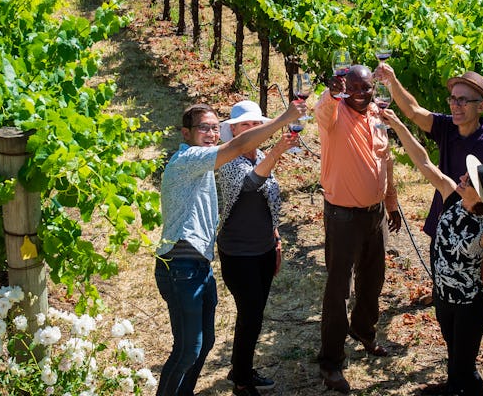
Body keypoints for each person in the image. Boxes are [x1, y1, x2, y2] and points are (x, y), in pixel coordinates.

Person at [155, 100, 305, 396]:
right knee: (188, 349)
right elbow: (237, 153)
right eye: (204, 128)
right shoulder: (190, 159)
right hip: (180, 266)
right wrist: (283, 118)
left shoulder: (204, 162)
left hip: (199, 265)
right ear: (186, 133)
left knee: (205, 343)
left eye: (214, 128)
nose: (211, 133)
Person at [380, 108, 483, 396]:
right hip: (444, 300)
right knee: (456, 360)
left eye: (471, 180)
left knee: (463, 368)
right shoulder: (451, 195)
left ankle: (463, 390)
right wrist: (399, 125)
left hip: (469, 307)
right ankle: (457, 388)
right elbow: (424, 162)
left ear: (480, 195)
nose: (464, 177)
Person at [375, 64, 483, 283]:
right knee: (440, 278)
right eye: (453, 99)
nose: (455, 105)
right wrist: (392, 80)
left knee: (467, 291)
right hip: (443, 223)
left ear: (481, 106)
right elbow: (413, 111)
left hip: (472, 237)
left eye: (463, 100)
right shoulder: (448, 127)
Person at [315, 64, 402, 393]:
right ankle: (331, 362)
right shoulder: (333, 114)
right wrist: (330, 91)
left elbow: (386, 162)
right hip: (342, 217)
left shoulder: (378, 116)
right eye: (355, 87)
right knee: (339, 290)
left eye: (367, 88)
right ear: (344, 87)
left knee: (374, 278)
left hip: (374, 213)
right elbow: (320, 109)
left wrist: (391, 204)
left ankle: (364, 331)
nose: (362, 93)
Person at [215, 100, 298, 396]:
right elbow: (250, 185)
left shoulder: (260, 154)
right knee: (250, 315)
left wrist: (275, 239)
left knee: (255, 314)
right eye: (245, 125)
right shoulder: (228, 159)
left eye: (255, 125)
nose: (251, 130)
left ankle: (241, 368)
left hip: (263, 250)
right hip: (239, 254)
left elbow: (269, 201)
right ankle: (241, 380)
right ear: (233, 130)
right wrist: (277, 152)